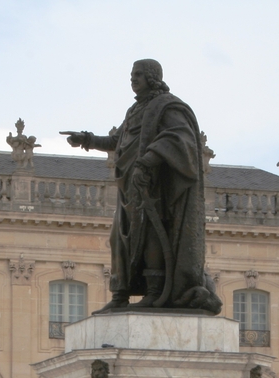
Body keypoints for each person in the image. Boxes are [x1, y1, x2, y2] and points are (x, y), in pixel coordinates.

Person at [63, 59, 221, 314]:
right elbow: (118, 140)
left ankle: (155, 292)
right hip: (130, 185)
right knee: (120, 238)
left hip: (154, 185)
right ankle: (120, 294)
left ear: (152, 77)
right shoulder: (135, 110)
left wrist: (148, 161)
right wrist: (88, 139)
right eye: (132, 75)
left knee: (150, 236)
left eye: (138, 74)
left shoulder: (168, 106)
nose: (133, 79)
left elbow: (179, 137)